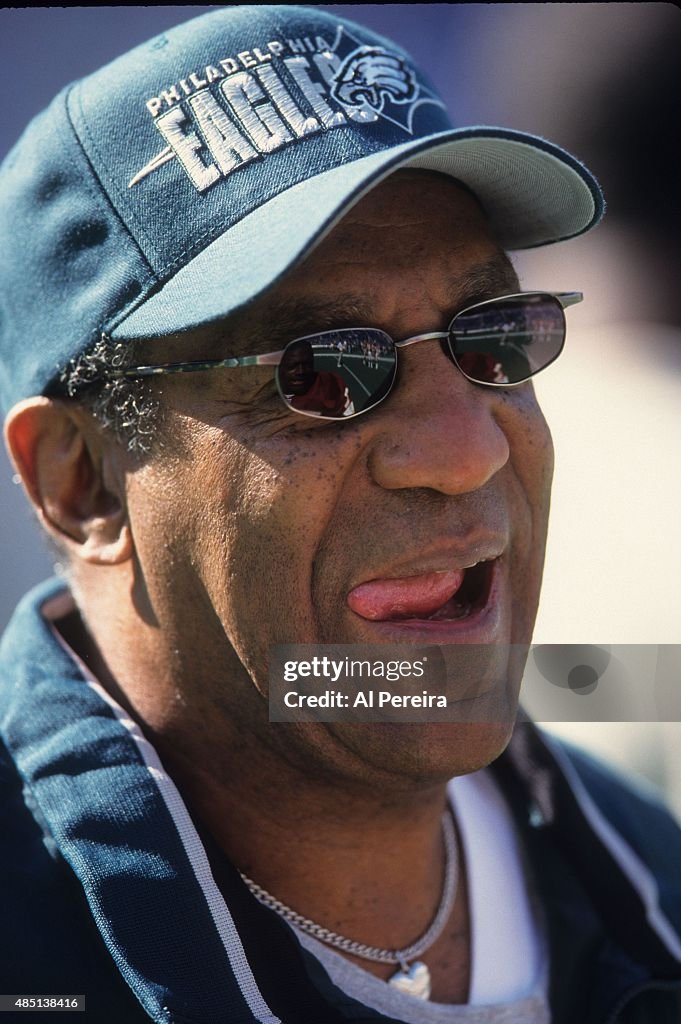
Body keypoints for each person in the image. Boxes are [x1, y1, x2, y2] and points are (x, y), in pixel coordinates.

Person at [0, 6, 679, 1023]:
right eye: (324, 375)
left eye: (493, 341)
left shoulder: (650, 873)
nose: (467, 452)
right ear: (82, 483)